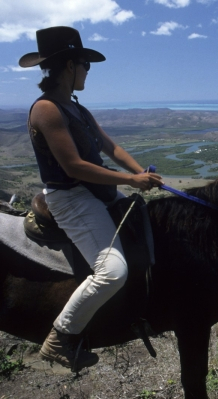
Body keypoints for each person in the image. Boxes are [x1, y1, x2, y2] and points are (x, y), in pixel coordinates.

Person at [19, 26, 164, 371]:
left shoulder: (77, 109)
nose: (88, 71)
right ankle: (59, 338)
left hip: (96, 193)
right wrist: (132, 180)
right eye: (85, 64)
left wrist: (142, 172)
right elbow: (74, 167)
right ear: (70, 65)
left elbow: (110, 147)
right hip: (71, 198)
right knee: (112, 272)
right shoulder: (47, 110)